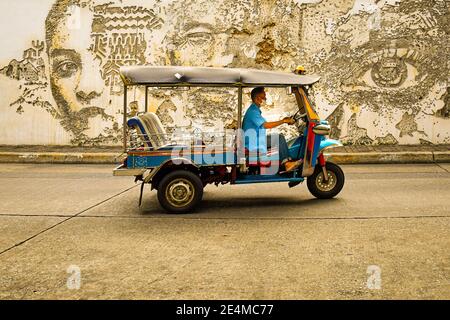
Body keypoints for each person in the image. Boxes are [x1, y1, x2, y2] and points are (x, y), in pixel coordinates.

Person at [242, 87, 302, 173]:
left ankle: (286, 162)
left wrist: (284, 120)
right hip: (253, 143)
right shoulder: (253, 112)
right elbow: (266, 125)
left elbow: (264, 124)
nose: (265, 99)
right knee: (279, 138)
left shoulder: (255, 110)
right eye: (264, 96)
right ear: (258, 98)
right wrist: (283, 121)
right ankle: (287, 164)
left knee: (278, 137)